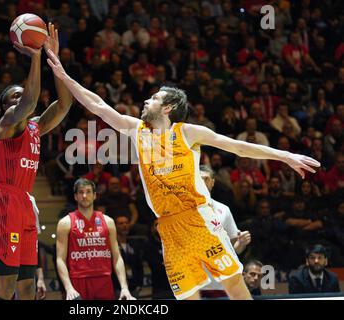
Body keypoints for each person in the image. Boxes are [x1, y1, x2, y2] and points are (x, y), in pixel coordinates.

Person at [46, 49, 321, 300]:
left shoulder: (187, 133)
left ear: (167, 108)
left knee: (233, 283)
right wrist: (63, 74)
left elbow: (238, 146)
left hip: (197, 218)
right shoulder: (136, 130)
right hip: (167, 226)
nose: (146, 100)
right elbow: (98, 105)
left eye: (153, 98)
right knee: (188, 295)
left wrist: (285, 156)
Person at [0, 22, 73, 300]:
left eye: (22, 94)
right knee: (6, 288)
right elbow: (31, 102)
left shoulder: (34, 128)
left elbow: (65, 104)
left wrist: (54, 61)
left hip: (24, 202)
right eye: (14, 97)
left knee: (27, 288)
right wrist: (35, 56)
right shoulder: (6, 125)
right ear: (5, 107)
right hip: (4, 201)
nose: (20, 100)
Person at [55, 178, 135, 300]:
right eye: (81, 192)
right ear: (76, 196)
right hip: (78, 281)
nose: (85, 195)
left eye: (88, 191)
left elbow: (117, 257)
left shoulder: (108, 222)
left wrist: (124, 287)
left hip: (104, 280)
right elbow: (60, 259)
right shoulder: (65, 223)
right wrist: (68, 287)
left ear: (94, 195)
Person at [199, 165, 252, 298]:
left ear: (212, 182)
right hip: (195, 284)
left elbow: (235, 250)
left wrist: (241, 243)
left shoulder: (224, 210)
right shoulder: (183, 211)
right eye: (198, 179)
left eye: (205, 179)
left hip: (222, 284)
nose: (202, 183)